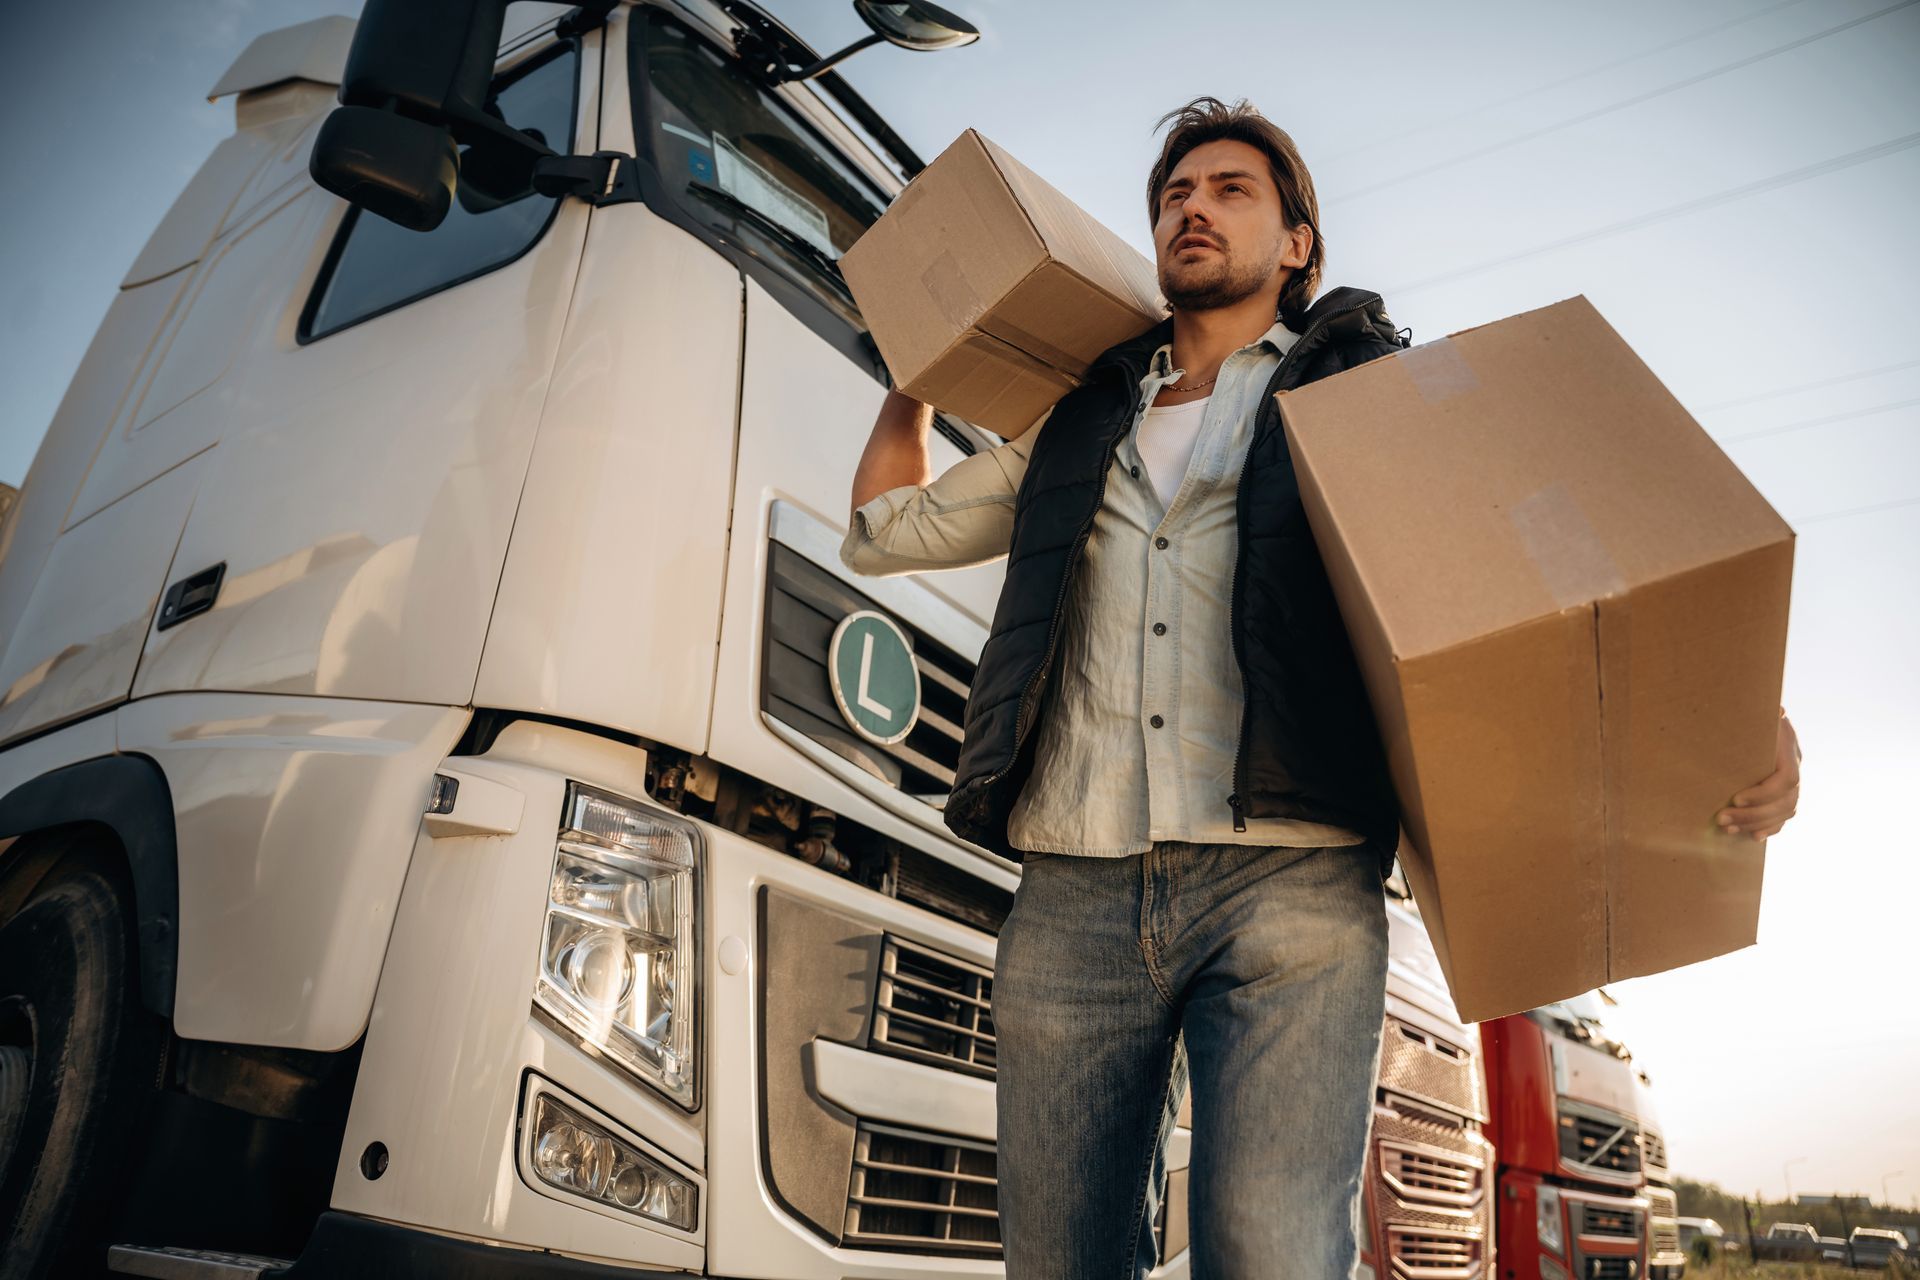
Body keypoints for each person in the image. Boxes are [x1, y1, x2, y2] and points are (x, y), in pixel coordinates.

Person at [841, 96, 1802, 1279]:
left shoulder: (1364, 390)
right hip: (1073, 890)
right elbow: (886, 531)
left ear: (1297, 242)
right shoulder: (1079, 422)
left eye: (1230, 189)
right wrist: (919, 371)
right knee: (1058, 1261)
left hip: (1289, 889)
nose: (1193, 206)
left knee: (1274, 1257)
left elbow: (1559, 568)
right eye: (1174, 194)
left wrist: (1731, 713)